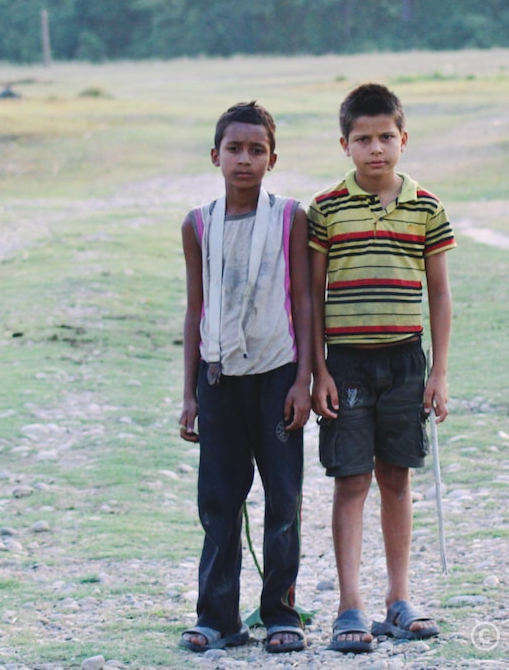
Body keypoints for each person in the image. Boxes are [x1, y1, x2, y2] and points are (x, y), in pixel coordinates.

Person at [308, 82, 455, 653]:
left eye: (386, 137)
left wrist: (438, 374)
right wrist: (318, 368)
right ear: (344, 144)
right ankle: (350, 607)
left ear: (403, 139)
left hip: (404, 361)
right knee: (351, 481)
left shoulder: (427, 207)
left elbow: (439, 295)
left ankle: (399, 599)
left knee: (397, 476)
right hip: (344, 363)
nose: (376, 148)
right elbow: (312, 295)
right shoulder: (325, 209)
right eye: (363, 139)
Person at [178, 101, 313, 655]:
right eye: (234, 149)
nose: (244, 159)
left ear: (272, 159)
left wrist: (303, 379)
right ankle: (218, 618)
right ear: (216, 155)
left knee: (283, 499)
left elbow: (303, 301)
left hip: (277, 375)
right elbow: (195, 310)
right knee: (218, 501)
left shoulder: (289, 218)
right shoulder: (198, 224)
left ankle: (280, 612)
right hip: (218, 380)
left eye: (257, 150)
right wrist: (188, 394)